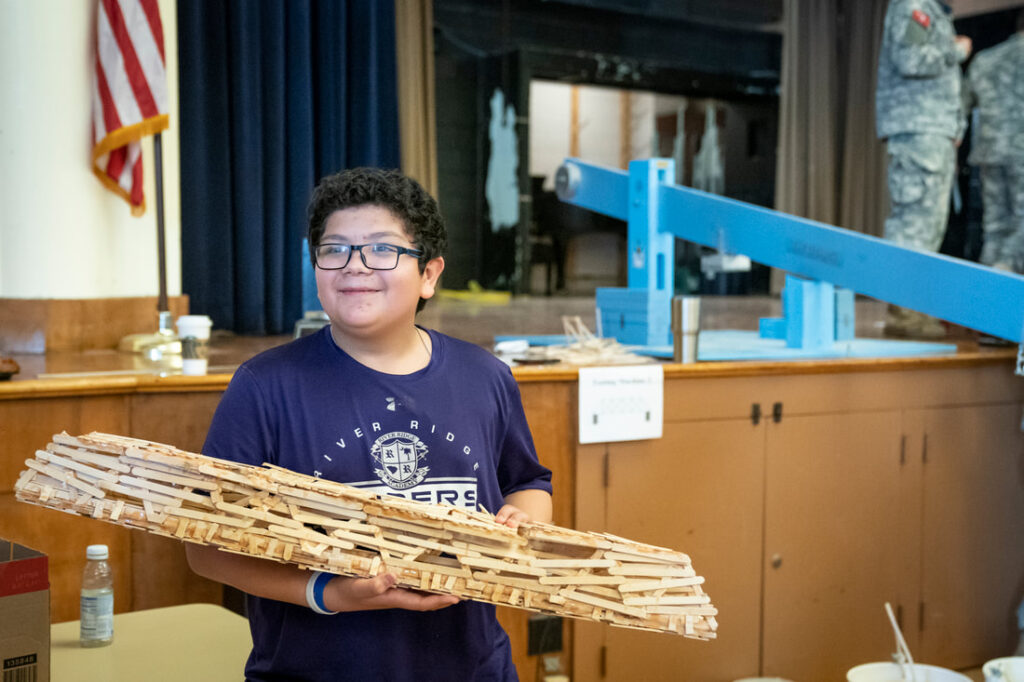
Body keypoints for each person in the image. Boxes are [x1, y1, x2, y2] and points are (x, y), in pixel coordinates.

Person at [186, 167, 554, 681]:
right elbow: (206, 545)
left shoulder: (485, 376)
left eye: (382, 250)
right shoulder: (264, 386)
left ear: (429, 274)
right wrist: (328, 593)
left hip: (472, 668)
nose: (355, 267)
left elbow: (527, 481)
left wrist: (523, 519)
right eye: (335, 250)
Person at [876, 0, 972, 338]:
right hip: (919, 129)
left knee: (930, 225)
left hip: (934, 132)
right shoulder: (913, 5)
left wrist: (955, 128)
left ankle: (914, 308)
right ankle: (903, 313)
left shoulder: (933, 11)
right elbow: (910, 58)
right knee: (913, 223)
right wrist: (954, 50)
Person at [964, 10, 1024, 275]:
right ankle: (1007, 269)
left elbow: (962, 104)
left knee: (995, 223)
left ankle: (989, 280)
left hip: (990, 151)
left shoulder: (985, 59)